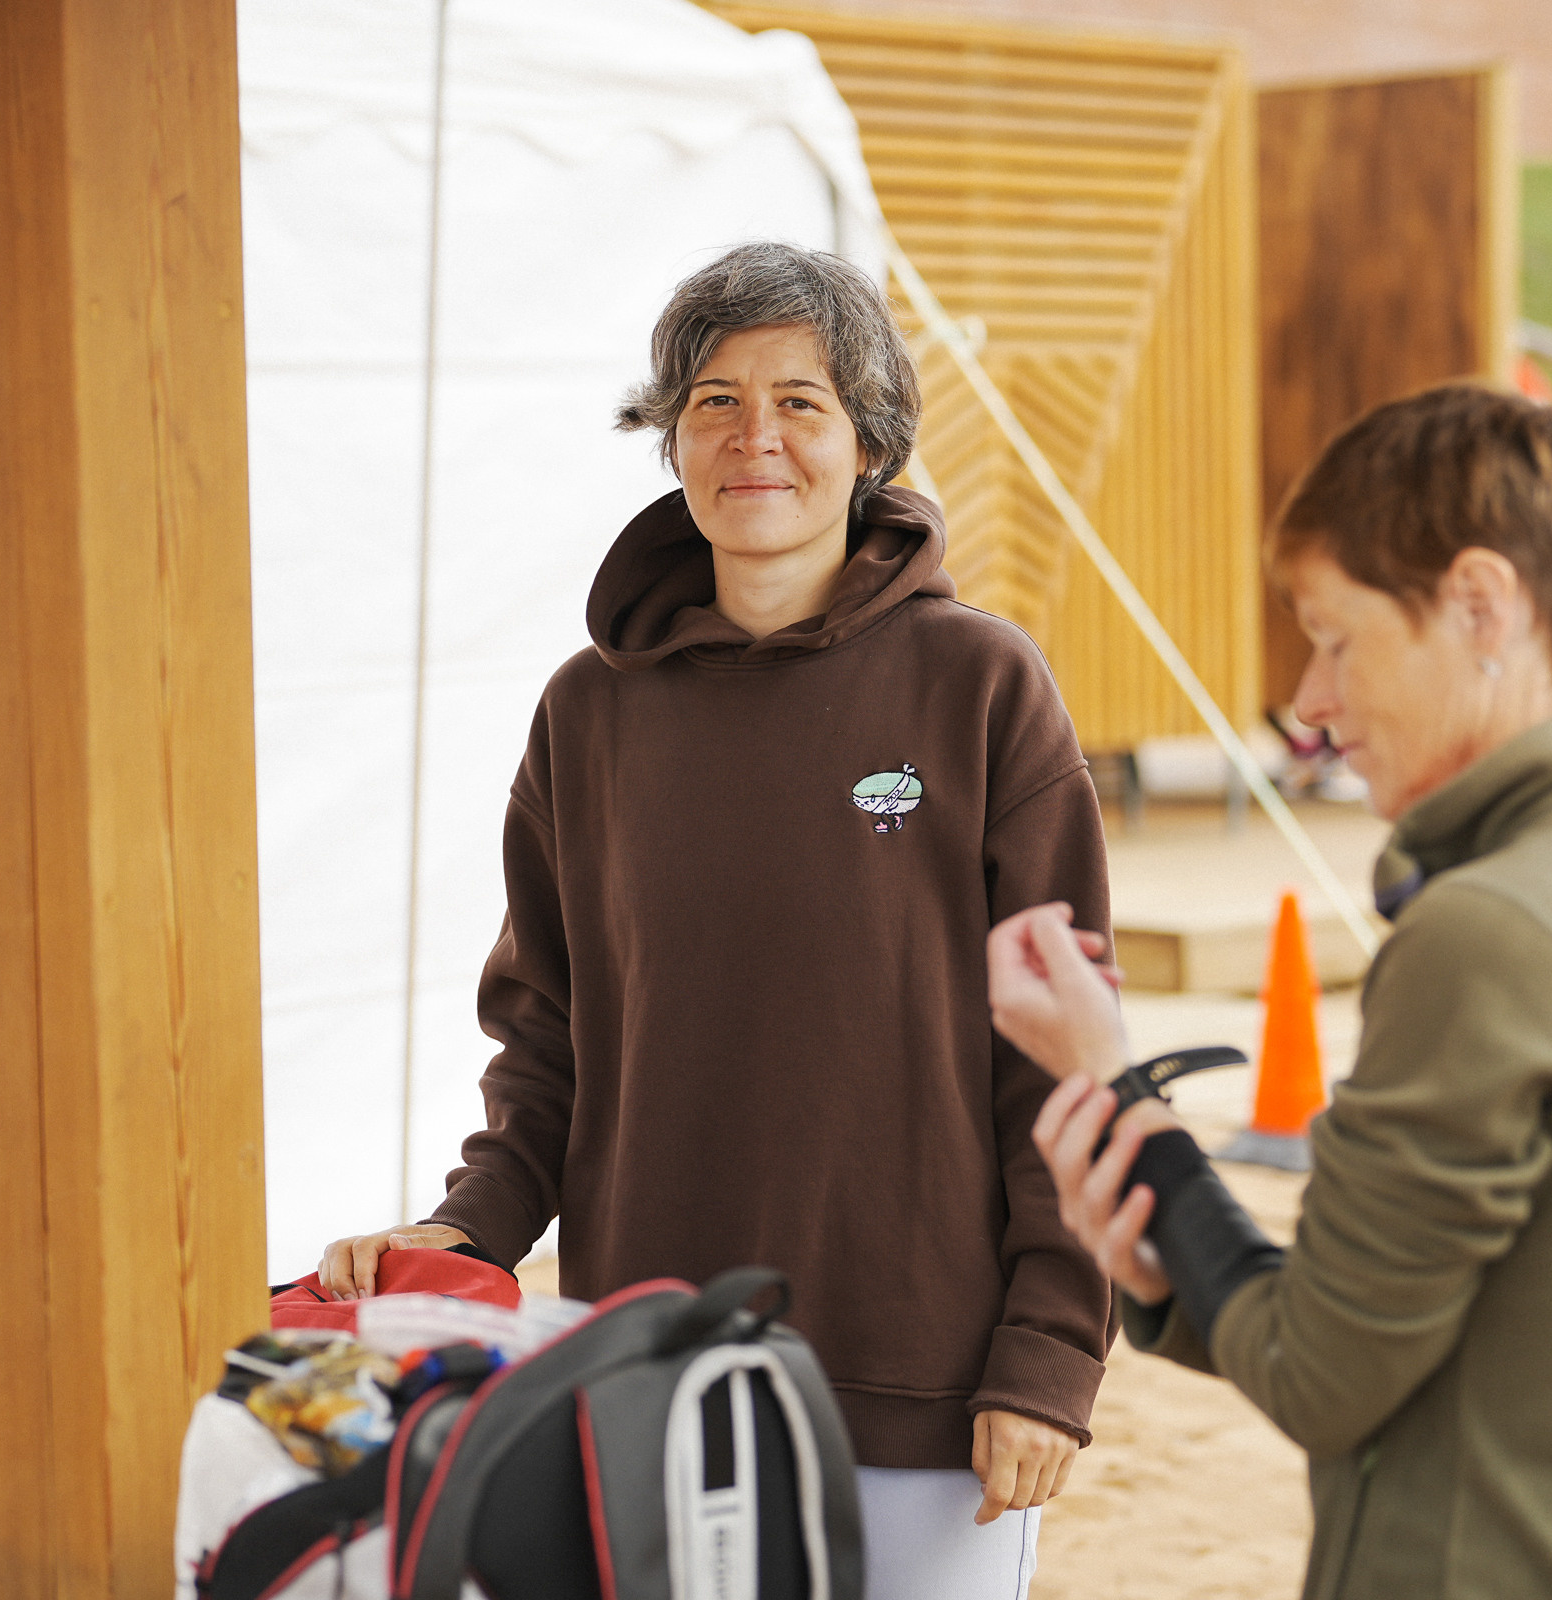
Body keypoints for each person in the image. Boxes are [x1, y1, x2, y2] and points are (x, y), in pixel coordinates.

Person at [316, 241, 1113, 1598]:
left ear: (869, 443)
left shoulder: (981, 687)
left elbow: (1064, 1057)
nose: (757, 439)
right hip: (653, 1375)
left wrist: (1048, 1353)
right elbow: (549, 1040)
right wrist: (470, 1227)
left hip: (925, 1392)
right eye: (715, 403)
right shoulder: (589, 714)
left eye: (801, 401)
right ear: (672, 441)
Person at [990, 384, 1552, 1598]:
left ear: (1481, 605)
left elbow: (1321, 1374)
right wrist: (1168, 1264)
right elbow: (1414, 1319)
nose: (1310, 700)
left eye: (1337, 638)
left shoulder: (1493, 927)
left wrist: (1124, 1104)